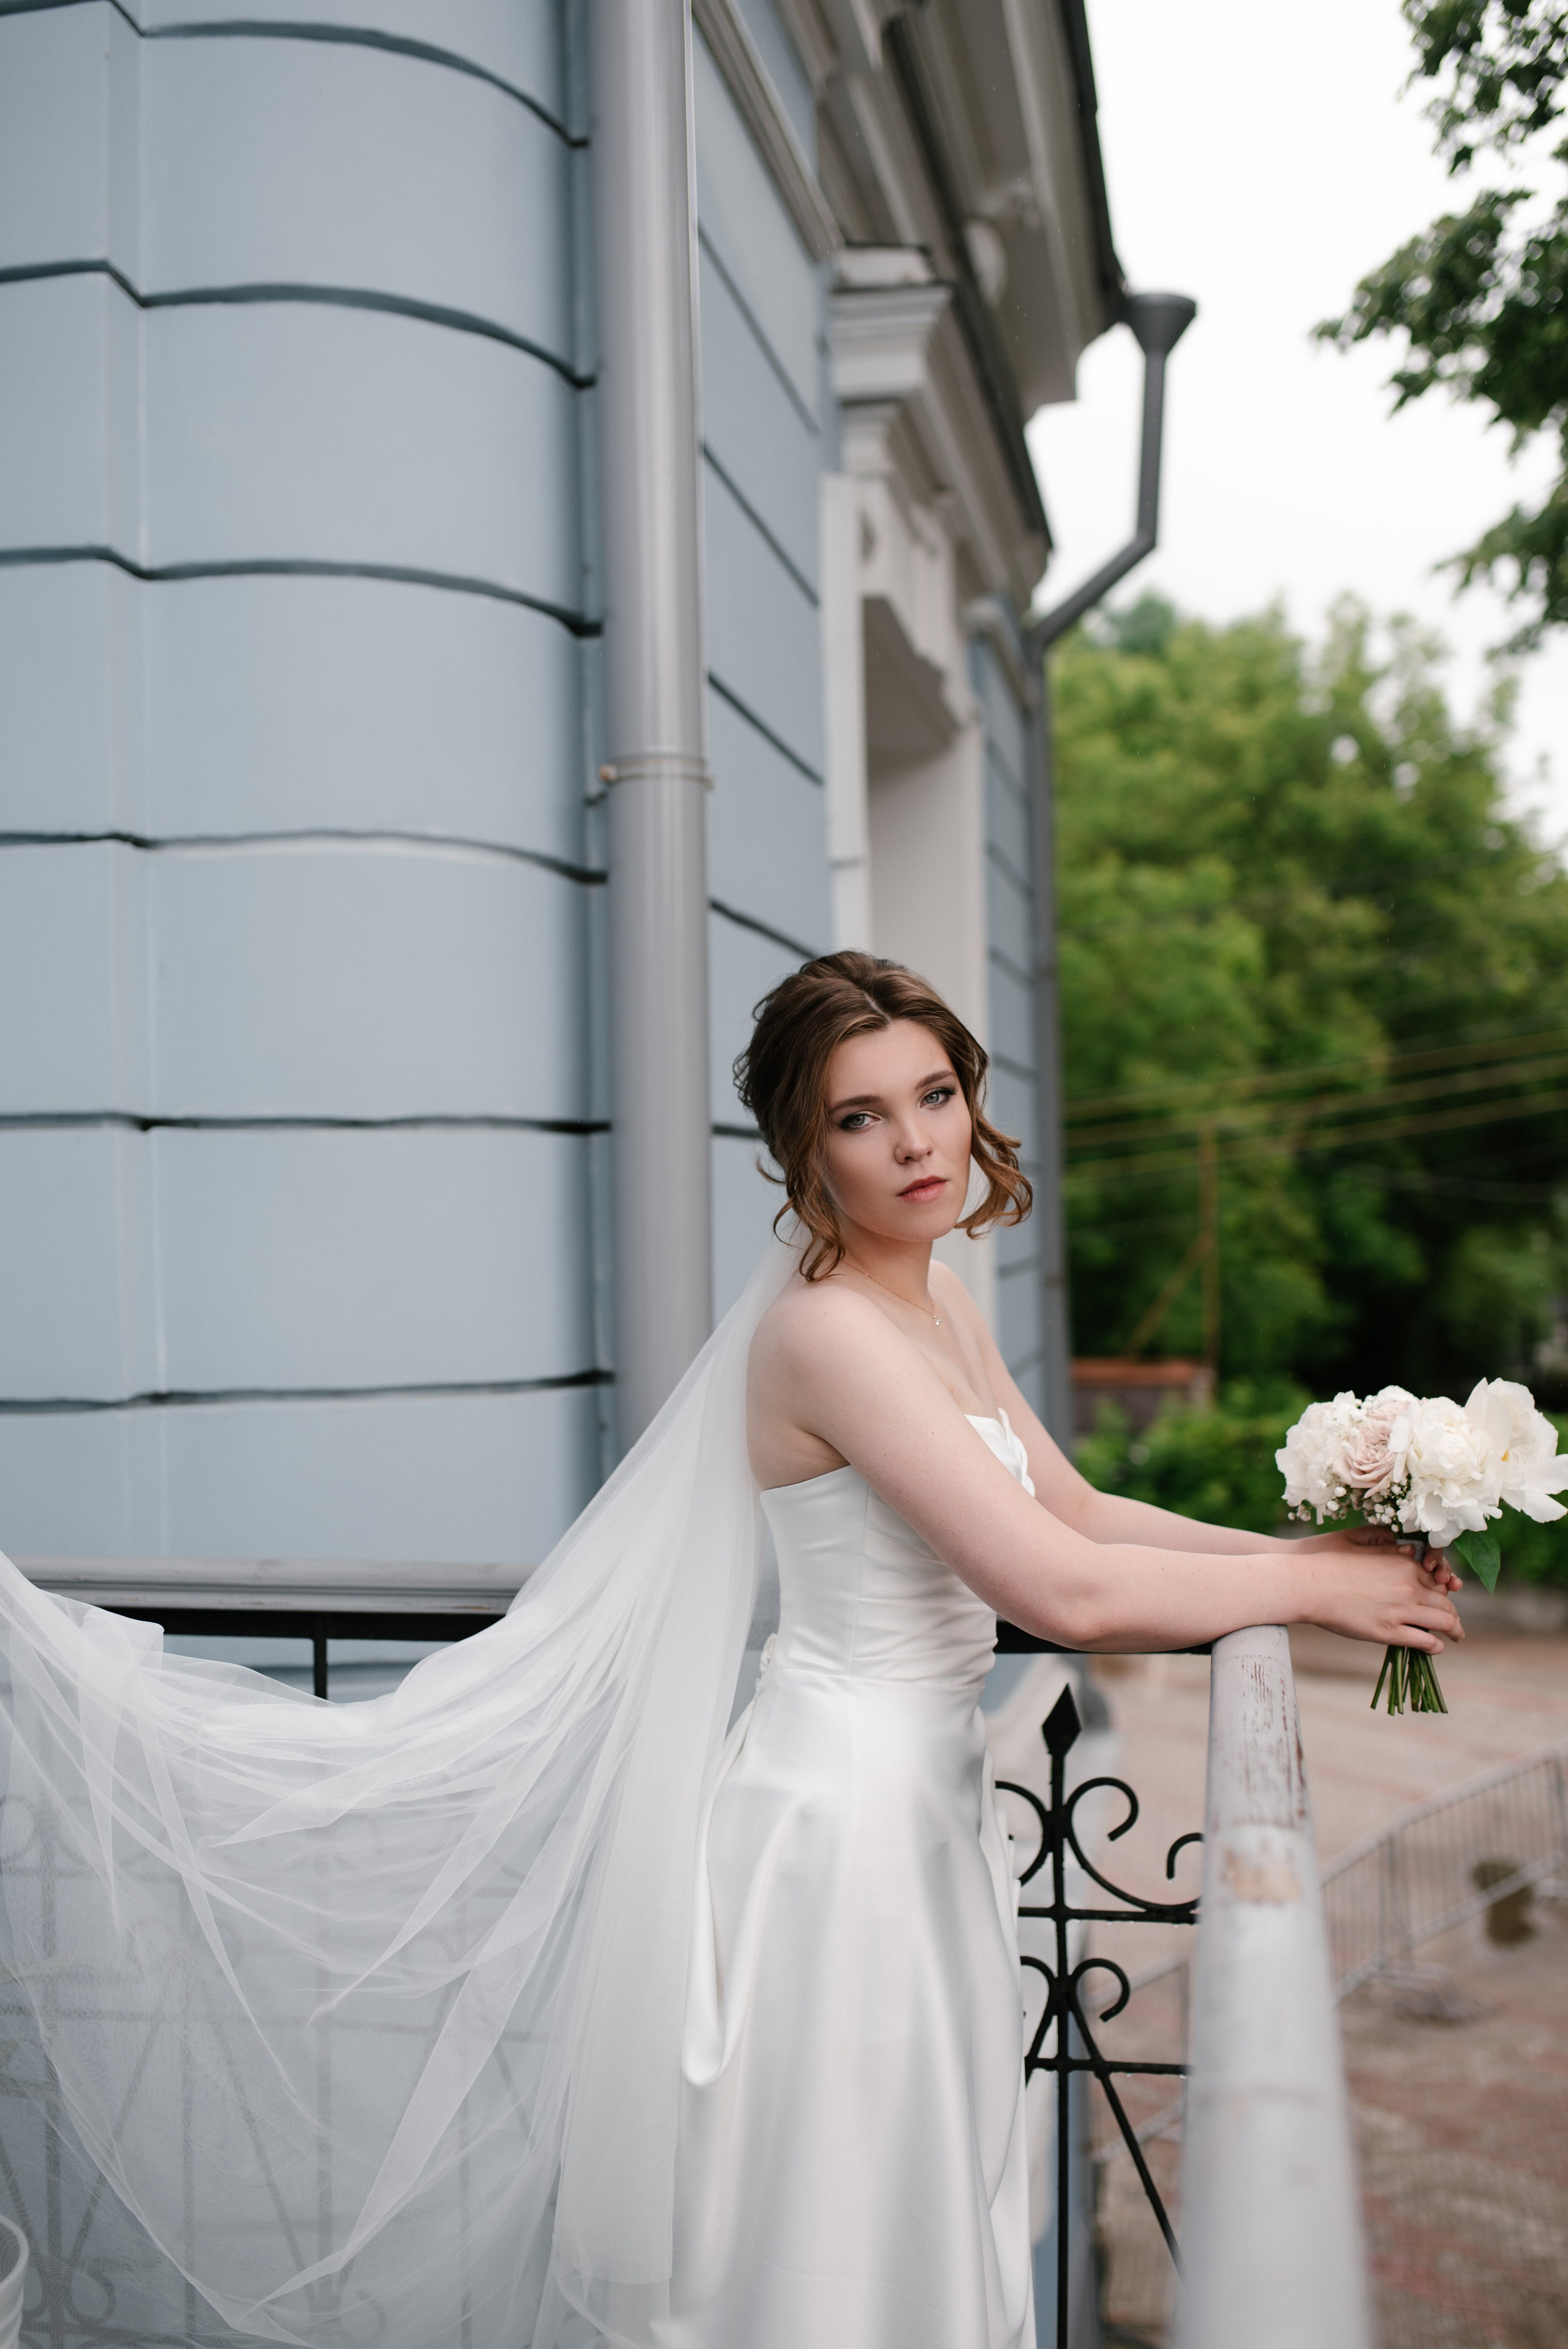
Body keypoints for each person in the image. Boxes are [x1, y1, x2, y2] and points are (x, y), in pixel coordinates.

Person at [0, 954, 1460, 2349]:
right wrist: (1313, 1606)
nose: (912, 1143)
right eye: (859, 1115)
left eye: (934, 1094)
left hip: (918, 1818)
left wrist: (1306, 1558)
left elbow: (1074, 1505)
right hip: (832, 1845)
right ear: (802, 1149)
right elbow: (1056, 1589)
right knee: (827, 2243)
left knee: (911, 2210)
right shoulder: (823, 1336)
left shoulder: (934, 1296)